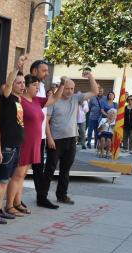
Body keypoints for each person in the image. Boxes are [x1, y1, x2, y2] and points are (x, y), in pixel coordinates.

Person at [42, 72, 98, 205]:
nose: (69, 91)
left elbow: (95, 91)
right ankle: (42, 197)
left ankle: (62, 195)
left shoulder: (75, 98)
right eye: (67, 88)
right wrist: (49, 138)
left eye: (72, 88)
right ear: (62, 88)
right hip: (56, 140)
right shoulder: (54, 100)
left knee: (65, 170)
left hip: (71, 139)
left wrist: (90, 77)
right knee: (49, 169)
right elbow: (46, 121)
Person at [11, 73, 64, 212]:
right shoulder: (20, 100)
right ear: (26, 87)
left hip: (35, 143)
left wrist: (62, 85)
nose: (37, 88)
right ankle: (10, 205)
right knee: (17, 175)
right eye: (34, 85)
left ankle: (17, 202)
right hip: (24, 142)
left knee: (22, 175)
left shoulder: (36, 100)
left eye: (38, 85)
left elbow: (55, 98)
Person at [0, 55, 27, 224]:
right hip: (7, 146)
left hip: (16, 146)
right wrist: (17, 67)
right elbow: (8, 84)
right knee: (2, 180)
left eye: (23, 83)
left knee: (6, 180)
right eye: (19, 83)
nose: (22, 85)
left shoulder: (18, 100)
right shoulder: (7, 97)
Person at [28, 60, 66, 210]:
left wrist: (61, 85)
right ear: (34, 71)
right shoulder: (27, 87)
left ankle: (41, 197)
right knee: (21, 170)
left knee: (39, 168)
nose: (47, 73)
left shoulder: (42, 87)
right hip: (30, 135)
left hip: (41, 135)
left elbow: (51, 101)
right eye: (44, 70)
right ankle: (15, 201)